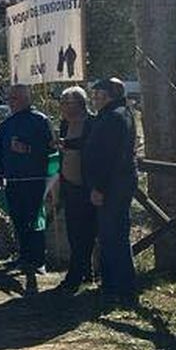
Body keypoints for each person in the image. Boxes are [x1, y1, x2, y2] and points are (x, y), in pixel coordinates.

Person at [82, 77, 138, 303]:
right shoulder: (119, 114)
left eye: (97, 96)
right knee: (113, 235)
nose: (94, 100)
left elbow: (107, 157)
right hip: (117, 183)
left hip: (112, 185)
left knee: (112, 236)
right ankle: (116, 284)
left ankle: (118, 286)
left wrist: (98, 187)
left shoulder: (113, 117)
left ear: (108, 96)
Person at [0, 83, 55, 289]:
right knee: (18, 219)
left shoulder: (40, 120)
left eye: (14, 99)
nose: (10, 103)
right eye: (9, 99)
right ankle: (24, 256)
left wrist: (28, 149)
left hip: (34, 179)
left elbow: (51, 148)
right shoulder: (6, 124)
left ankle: (38, 260)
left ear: (25, 99)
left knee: (34, 220)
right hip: (13, 180)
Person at [51, 86, 97, 291]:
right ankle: (82, 271)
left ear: (80, 103)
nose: (63, 108)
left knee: (87, 232)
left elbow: (89, 147)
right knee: (73, 232)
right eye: (62, 103)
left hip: (87, 185)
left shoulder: (92, 123)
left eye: (67, 103)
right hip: (68, 184)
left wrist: (67, 144)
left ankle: (78, 275)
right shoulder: (64, 124)